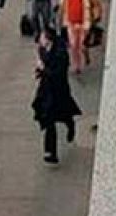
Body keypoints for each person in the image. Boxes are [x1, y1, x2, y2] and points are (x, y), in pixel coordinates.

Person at [31, 27, 82, 165]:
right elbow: (44, 65)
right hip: (47, 89)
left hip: (59, 89)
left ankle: (70, 124)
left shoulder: (61, 53)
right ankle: (50, 152)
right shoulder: (42, 49)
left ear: (48, 39)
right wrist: (39, 71)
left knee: (63, 111)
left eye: (42, 37)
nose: (40, 40)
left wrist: (43, 69)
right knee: (49, 118)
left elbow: (58, 73)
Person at [57, 0, 102, 74]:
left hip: (84, 23)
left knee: (81, 44)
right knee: (73, 45)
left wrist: (96, 16)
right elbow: (62, 8)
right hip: (71, 23)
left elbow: (96, 5)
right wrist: (59, 22)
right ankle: (76, 65)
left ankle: (84, 55)